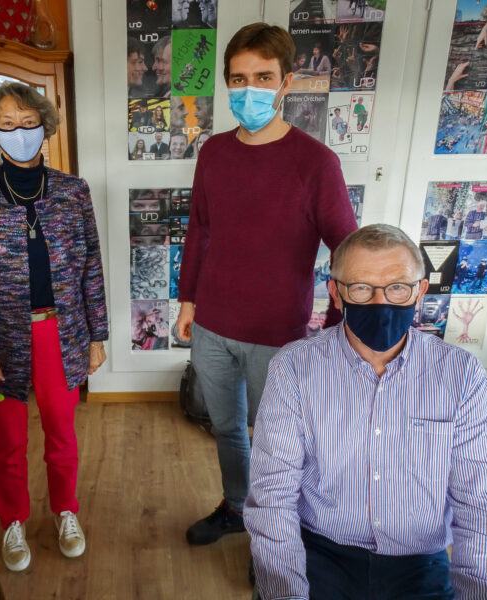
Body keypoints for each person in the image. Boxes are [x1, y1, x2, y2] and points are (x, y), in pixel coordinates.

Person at [246, 224, 487, 599]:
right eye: (361, 288)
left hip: (419, 561)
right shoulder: (293, 368)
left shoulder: (462, 375)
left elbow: (481, 503)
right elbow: (272, 494)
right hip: (321, 551)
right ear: (336, 294)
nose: (380, 302)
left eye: (397, 288)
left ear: (419, 292)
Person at [176, 23, 357, 551]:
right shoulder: (214, 153)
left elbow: (347, 250)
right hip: (212, 325)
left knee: (280, 443)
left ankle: (274, 531)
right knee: (227, 429)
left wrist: (337, 326)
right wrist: (187, 300)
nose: (249, 89)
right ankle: (237, 506)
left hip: (278, 334)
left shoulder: (316, 162)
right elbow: (200, 230)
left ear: (286, 82)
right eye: (238, 79)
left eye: (262, 77)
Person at [0, 82, 109, 572]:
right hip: (0, 339)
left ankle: (65, 511)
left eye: (29, 123)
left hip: (62, 332)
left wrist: (97, 335)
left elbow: (91, 267)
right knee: (9, 440)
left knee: (62, 432)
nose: (19, 132)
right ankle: (12, 519)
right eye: (8, 124)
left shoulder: (73, 192)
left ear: (46, 128)